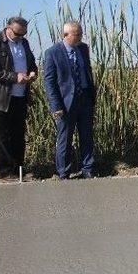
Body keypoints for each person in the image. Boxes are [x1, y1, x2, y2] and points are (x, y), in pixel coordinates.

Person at [44, 21, 96, 179]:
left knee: (87, 136)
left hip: (85, 99)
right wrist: (56, 105)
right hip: (66, 103)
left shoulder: (83, 48)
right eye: (77, 34)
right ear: (65, 35)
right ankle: (64, 172)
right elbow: (49, 81)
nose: (80, 37)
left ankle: (88, 169)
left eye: (81, 33)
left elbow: (87, 72)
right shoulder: (52, 52)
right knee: (65, 138)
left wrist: (92, 96)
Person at [0, 16, 38, 180]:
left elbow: (32, 63)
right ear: (8, 28)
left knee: (18, 134)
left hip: (21, 96)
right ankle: (5, 172)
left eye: (23, 34)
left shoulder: (23, 43)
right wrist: (13, 77)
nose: (20, 37)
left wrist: (32, 72)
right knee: (2, 136)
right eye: (17, 33)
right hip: (1, 98)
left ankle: (18, 170)